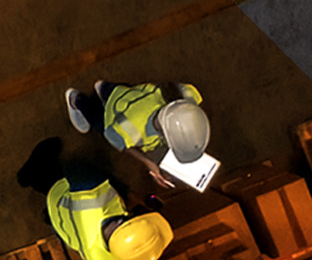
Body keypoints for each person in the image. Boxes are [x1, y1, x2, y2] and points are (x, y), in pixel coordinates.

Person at [16, 138, 208, 260]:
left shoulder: (90, 192)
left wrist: (126, 192)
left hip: (60, 198)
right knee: (61, 214)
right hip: (64, 230)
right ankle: (43, 201)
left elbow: (74, 166)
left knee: (56, 178)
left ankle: (33, 174)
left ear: (129, 219)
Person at [64, 80, 211, 189]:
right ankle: (77, 100)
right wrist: (148, 162)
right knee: (98, 121)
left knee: (118, 92)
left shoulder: (187, 96)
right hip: (112, 116)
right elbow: (120, 143)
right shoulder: (129, 130)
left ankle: (104, 88)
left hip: (134, 96)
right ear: (164, 135)